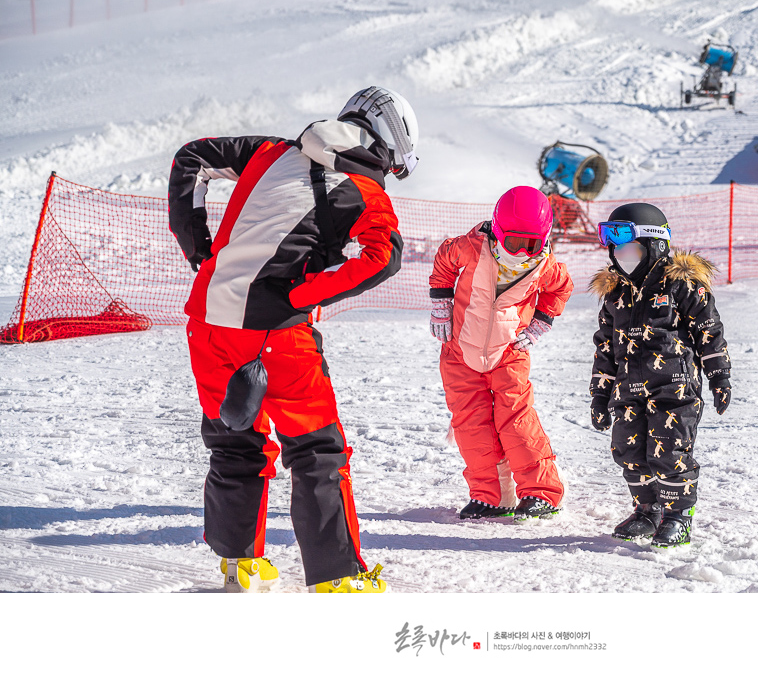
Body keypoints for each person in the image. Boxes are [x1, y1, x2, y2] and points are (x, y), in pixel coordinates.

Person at [168, 86, 418, 592]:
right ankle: (338, 579)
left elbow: (191, 156)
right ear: (388, 147)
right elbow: (383, 257)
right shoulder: (366, 192)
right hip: (278, 336)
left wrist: (200, 249)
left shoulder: (271, 151)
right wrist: (305, 293)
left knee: (235, 441)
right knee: (316, 450)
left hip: (209, 321)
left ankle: (241, 567)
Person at [589, 203, 731, 548]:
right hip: (628, 391)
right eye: (617, 250)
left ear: (655, 246)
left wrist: (719, 377)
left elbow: (708, 331)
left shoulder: (681, 286)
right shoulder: (615, 293)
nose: (622, 257)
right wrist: (600, 394)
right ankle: (647, 510)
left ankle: (678, 516)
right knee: (628, 451)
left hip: (675, 389)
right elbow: (605, 349)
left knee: (670, 453)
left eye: (631, 249)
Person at [429, 186, 573, 521]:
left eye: (532, 244)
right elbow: (444, 261)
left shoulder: (544, 266)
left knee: (517, 421)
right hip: (460, 350)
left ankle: (542, 493)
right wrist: (441, 301)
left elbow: (560, 288)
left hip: (509, 351)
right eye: (515, 243)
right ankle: (490, 497)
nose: (523, 252)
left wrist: (541, 322)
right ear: (497, 231)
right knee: (470, 425)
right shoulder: (469, 247)